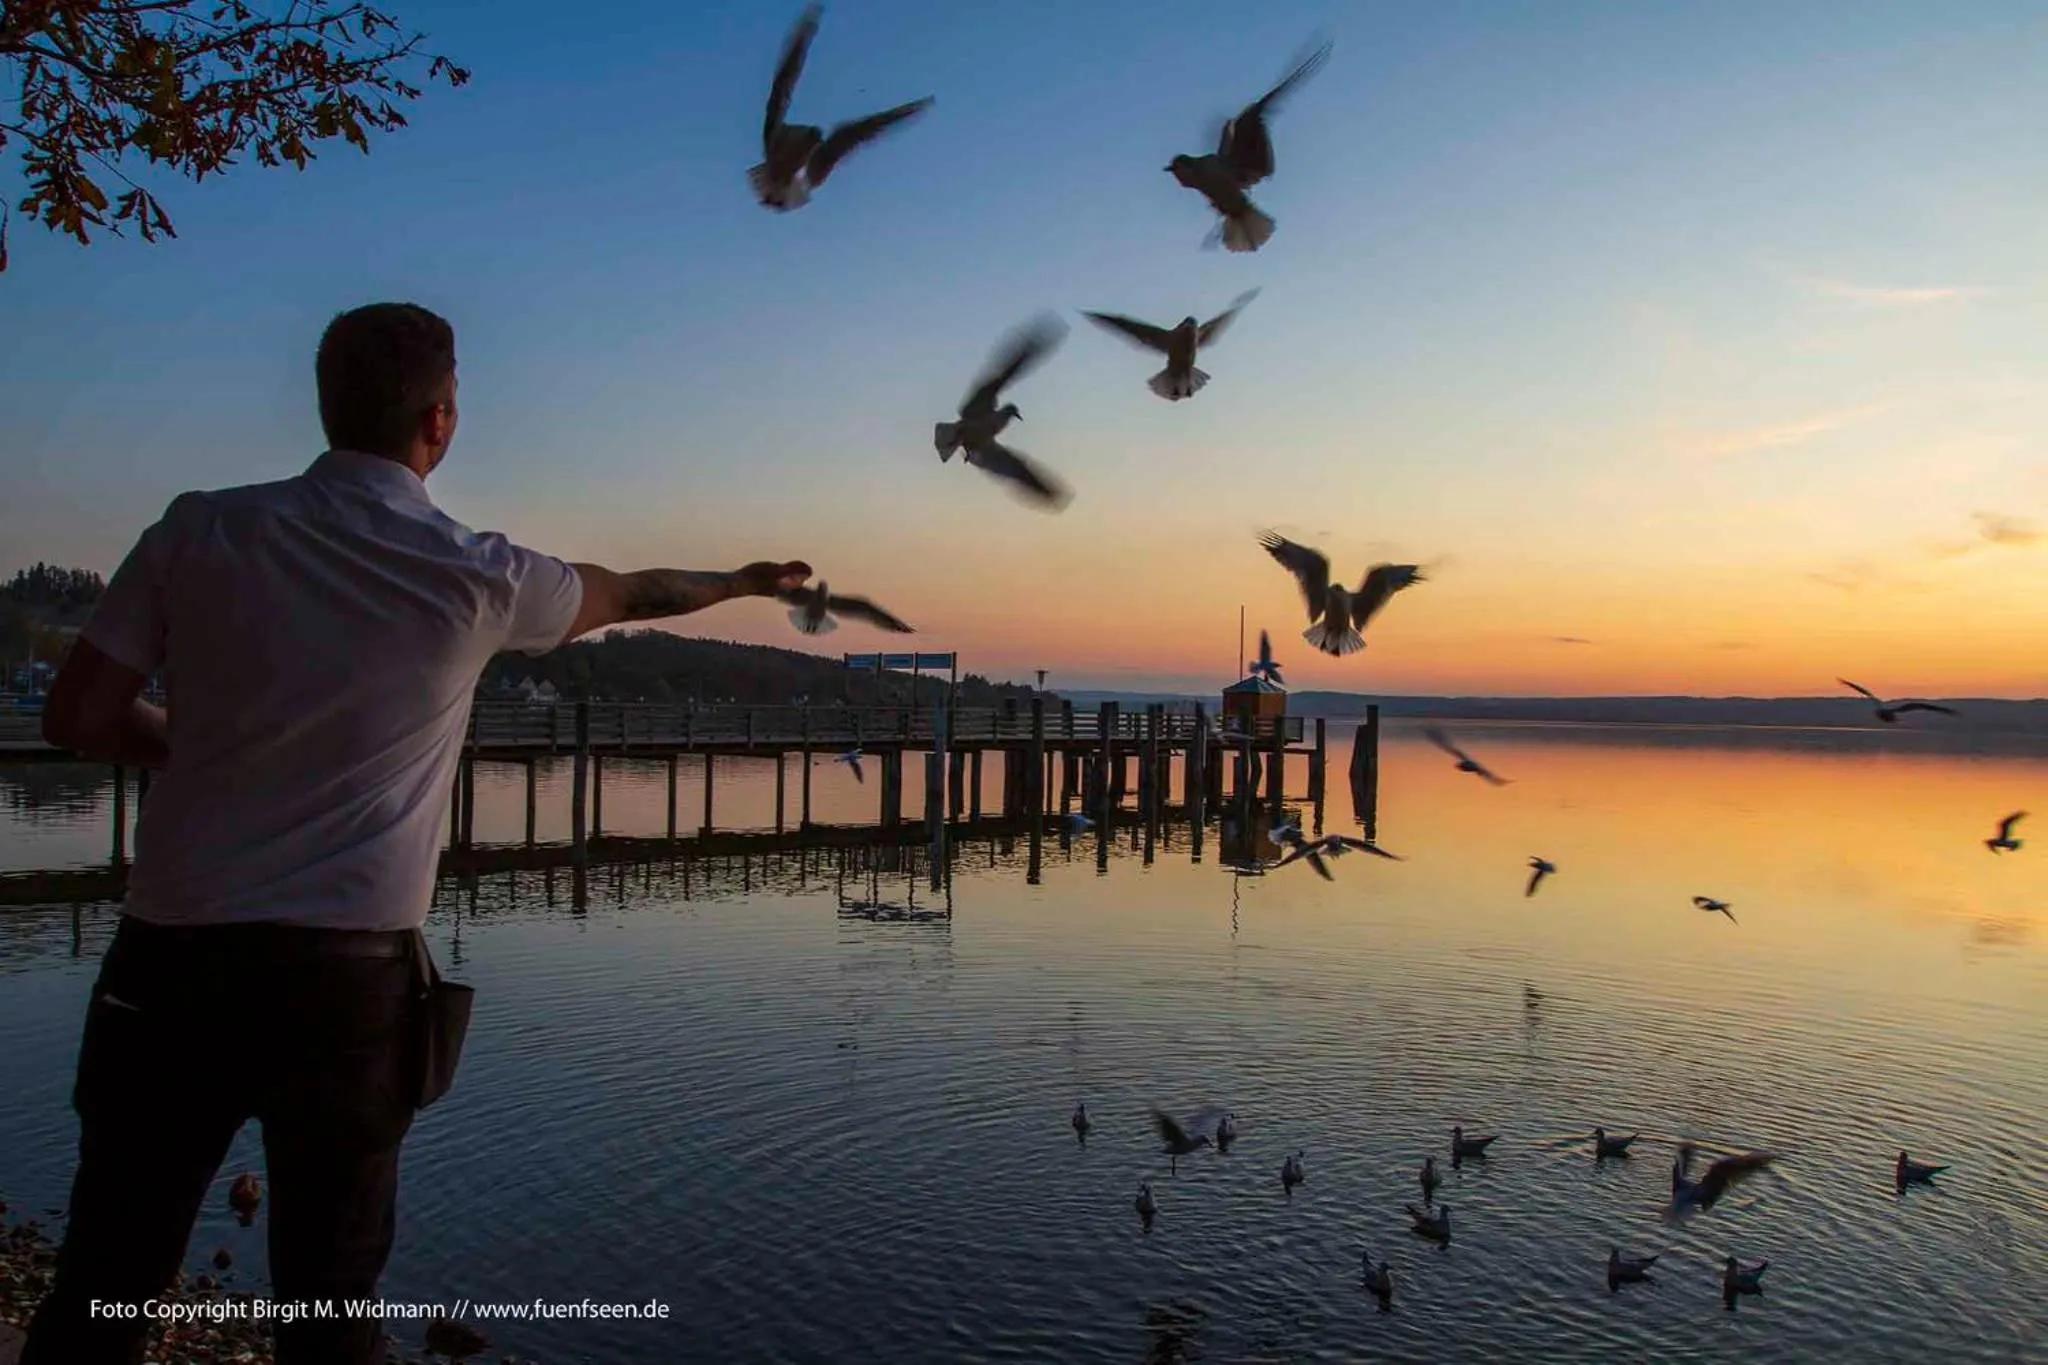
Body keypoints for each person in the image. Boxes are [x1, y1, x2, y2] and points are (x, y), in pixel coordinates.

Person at [23, 302, 811, 1365]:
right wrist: (743, 583)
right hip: (344, 987)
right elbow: (638, 592)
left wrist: (199, 751)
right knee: (332, 1306)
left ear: (323, 402)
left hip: (170, 967)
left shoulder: (198, 528)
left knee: (106, 1280)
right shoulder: (477, 573)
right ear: (440, 420)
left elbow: (75, 716)